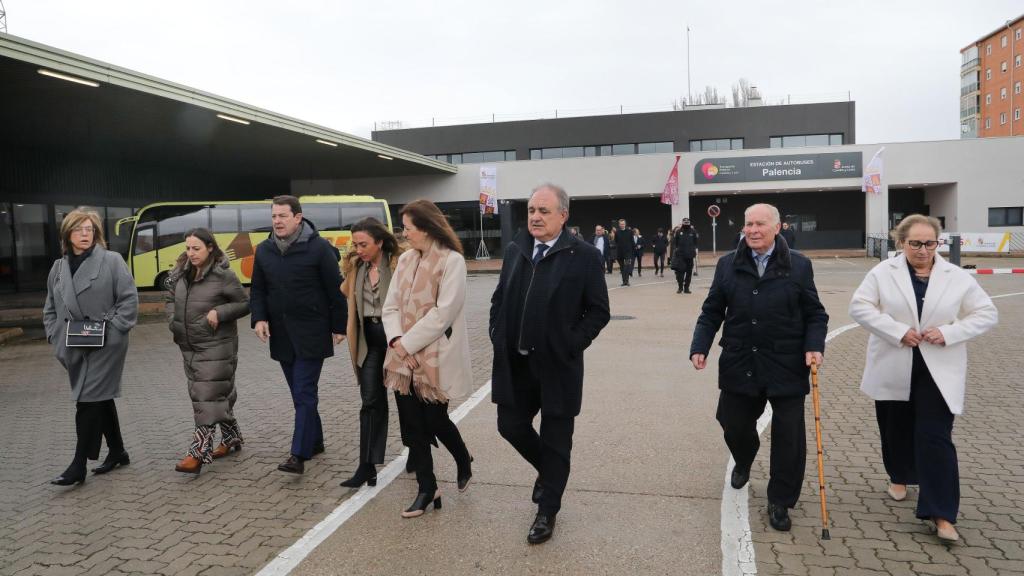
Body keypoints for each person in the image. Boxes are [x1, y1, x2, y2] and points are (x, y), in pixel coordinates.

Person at [848, 214, 997, 543]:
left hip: (938, 367)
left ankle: (941, 513)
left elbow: (986, 312)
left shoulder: (956, 277)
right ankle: (899, 475)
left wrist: (948, 332)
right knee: (895, 427)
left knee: (935, 436)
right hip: (894, 361)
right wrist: (898, 331)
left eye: (930, 243)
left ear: (938, 243)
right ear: (901, 243)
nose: (923, 250)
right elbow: (859, 307)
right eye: (915, 243)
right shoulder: (882, 273)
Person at [689, 203, 828, 532]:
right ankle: (745, 457)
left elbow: (815, 315)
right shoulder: (727, 265)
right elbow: (711, 311)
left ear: (777, 228)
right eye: (748, 224)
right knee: (732, 423)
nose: (752, 230)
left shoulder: (799, 265)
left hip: (786, 363)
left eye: (759, 224)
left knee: (789, 438)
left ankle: (780, 500)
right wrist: (700, 345)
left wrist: (814, 345)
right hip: (741, 360)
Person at [490, 184, 610, 544]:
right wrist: (497, 330)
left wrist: (571, 343)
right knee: (510, 425)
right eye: (531, 211)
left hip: (558, 367)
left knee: (558, 441)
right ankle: (550, 473)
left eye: (544, 211)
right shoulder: (516, 249)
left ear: (563, 216)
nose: (535, 217)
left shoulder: (584, 255)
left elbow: (599, 311)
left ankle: (547, 511)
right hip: (517, 364)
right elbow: (499, 298)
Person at [383, 199, 474, 518]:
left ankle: (463, 458)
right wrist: (396, 341)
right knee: (412, 425)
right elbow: (390, 306)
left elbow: (443, 313)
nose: (403, 233)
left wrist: (407, 344)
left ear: (426, 228)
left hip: (434, 356)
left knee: (435, 420)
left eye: (407, 227)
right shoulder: (405, 260)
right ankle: (427, 487)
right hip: (400, 358)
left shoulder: (452, 262)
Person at [250, 195, 347, 475]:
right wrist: (259, 318)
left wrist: (339, 326)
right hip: (281, 335)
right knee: (299, 394)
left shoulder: (318, 249)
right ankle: (314, 441)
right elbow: (258, 290)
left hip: (311, 333)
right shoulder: (264, 250)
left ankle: (298, 454)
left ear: (298, 218)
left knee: (304, 391)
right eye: (273, 216)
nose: (277, 221)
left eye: (282, 216)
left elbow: (336, 290)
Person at [44, 208, 138, 486]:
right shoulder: (58, 268)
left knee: (87, 401)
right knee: (100, 398)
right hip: (73, 345)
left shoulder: (112, 261)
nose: (85, 234)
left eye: (89, 229)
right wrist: (54, 335)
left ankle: (78, 465)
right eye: (78, 229)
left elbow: (129, 301)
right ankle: (118, 451)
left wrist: (113, 331)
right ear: (67, 234)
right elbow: (50, 307)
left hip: (106, 343)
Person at [166, 228, 250, 474]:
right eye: (188, 248)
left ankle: (198, 453)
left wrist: (219, 313)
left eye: (196, 248)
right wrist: (172, 319)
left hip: (217, 345)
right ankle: (231, 436)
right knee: (211, 395)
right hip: (188, 345)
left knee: (205, 396)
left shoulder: (223, 275)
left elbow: (244, 303)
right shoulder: (180, 273)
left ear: (210, 248)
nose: (191, 253)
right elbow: (170, 297)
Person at [339, 218, 405, 488]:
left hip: (397, 341)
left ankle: (417, 452)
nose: (358, 249)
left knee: (407, 402)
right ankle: (366, 465)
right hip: (368, 340)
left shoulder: (398, 263)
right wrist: (349, 266)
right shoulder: (357, 266)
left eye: (364, 244)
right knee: (370, 403)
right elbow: (345, 291)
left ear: (380, 242)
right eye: (355, 244)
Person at [671, 218, 698, 294]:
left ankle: (686, 288)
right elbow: (675, 242)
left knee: (689, 273)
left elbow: (696, 242)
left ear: (689, 223)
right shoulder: (678, 232)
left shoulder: (693, 231)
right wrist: (677, 250)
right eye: (685, 222)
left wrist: (694, 250)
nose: (686, 224)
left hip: (690, 256)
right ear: (682, 223)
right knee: (680, 273)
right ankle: (680, 287)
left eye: (687, 222)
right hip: (681, 256)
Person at [613, 219, 635, 286]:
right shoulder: (617, 232)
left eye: (623, 224)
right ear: (619, 225)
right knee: (622, 268)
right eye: (621, 224)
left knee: (627, 266)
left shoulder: (630, 231)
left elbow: (632, 241)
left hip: (628, 252)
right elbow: (616, 241)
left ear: (625, 224)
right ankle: (624, 281)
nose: (622, 225)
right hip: (620, 252)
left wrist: (633, 250)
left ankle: (627, 281)